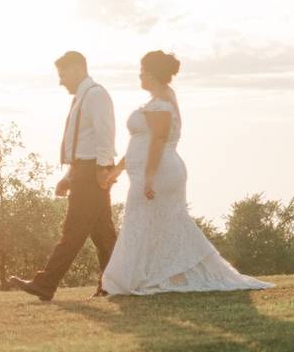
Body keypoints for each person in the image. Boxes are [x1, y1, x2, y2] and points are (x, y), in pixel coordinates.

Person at [102, 51, 275, 295]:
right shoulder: (159, 100)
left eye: (141, 71)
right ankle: (160, 275)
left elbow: (158, 142)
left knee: (152, 222)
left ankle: (148, 276)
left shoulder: (162, 103)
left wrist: (149, 177)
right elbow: (142, 141)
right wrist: (117, 170)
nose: (139, 75)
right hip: (148, 173)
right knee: (160, 224)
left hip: (159, 173)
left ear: (151, 74)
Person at [9, 51, 117, 300]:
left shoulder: (96, 95)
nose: (61, 81)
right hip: (83, 169)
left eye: (63, 74)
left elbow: (105, 134)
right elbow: (82, 142)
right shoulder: (81, 98)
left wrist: (102, 169)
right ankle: (114, 284)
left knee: (74, 230)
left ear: (78, 68)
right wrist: (69, 174)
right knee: (103, 234)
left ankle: (46, 283)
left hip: (92, 171)